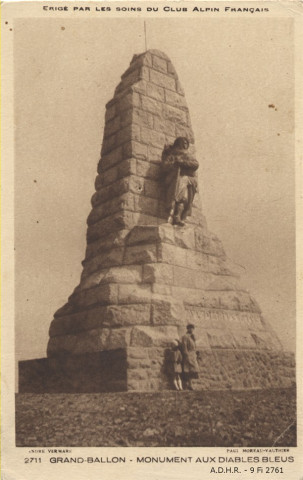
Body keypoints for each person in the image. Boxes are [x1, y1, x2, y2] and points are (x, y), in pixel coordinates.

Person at [161, 137, 199, 226]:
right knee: (183, 195)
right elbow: (164, 167)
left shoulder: (187, 155)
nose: (185, 145)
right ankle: (177, 216)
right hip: (174, 179)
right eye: (183, 143)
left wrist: (182, 162)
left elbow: (195, 164)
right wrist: (173, 164)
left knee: (185, 195)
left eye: (186, 143)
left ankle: (180, 215)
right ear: (178, 144)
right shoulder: (171, 155)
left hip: (188, 180)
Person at [181, 324, 199, 390]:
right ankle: (188, 384)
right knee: (188, 370)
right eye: (190, 328)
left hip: (193, 355)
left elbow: (194, 346)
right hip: (188, 355)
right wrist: (186, 355)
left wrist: (196, 354)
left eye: (192, 328)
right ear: (187, 329)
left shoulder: (193, 337)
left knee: (193, 370)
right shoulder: (185, 337)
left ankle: (190, 384)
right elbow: (184, 346)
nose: (191, 329)